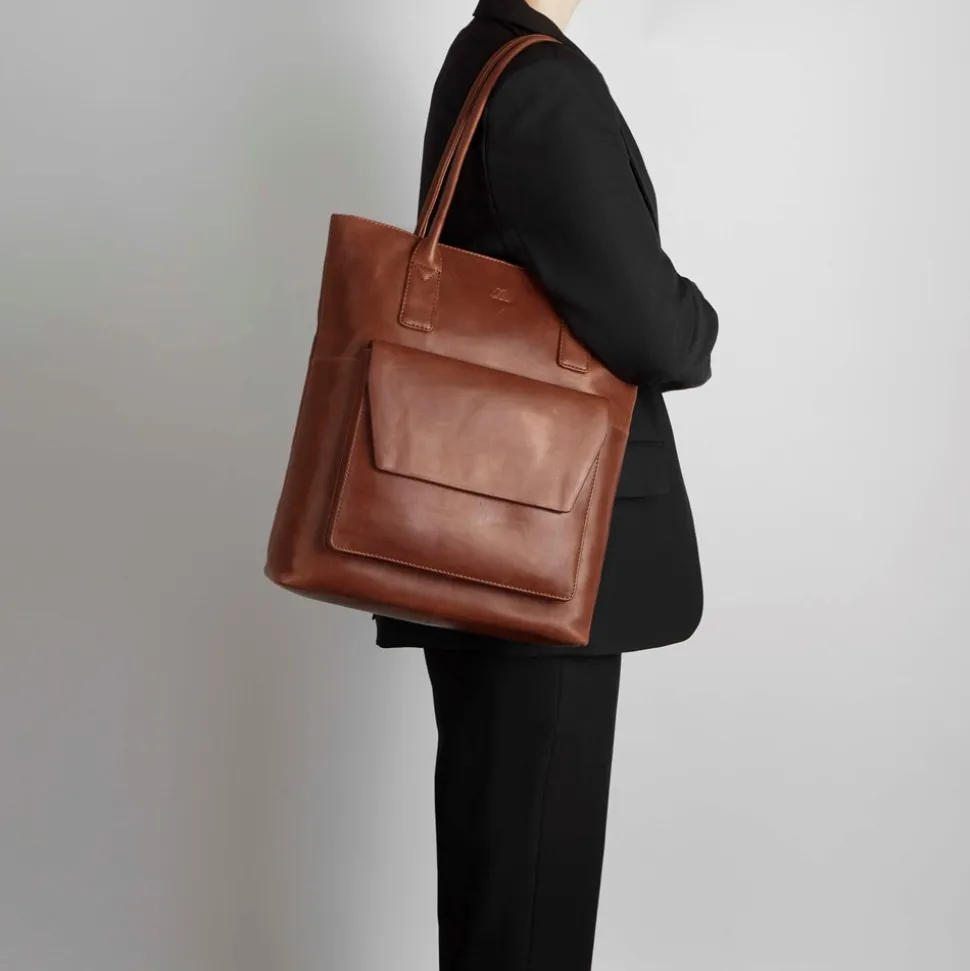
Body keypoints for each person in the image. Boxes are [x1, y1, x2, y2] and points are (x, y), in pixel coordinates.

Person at [374, 1, 719, 968]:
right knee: (528, 915)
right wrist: (699, 319)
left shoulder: (483, 56)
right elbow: (651, 327)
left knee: (502, 899)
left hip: (494, 539)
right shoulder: (541, 85)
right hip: (547, 554)